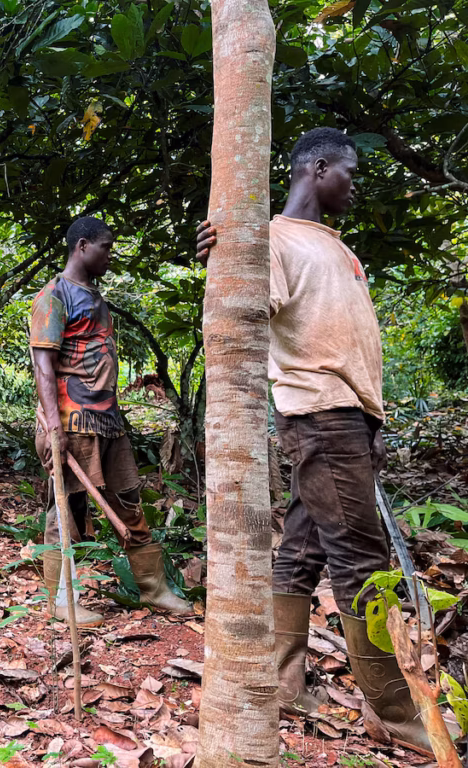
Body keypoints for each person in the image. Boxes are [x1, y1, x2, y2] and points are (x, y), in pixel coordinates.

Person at [197, 127, 432, 755]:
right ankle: (397, 710)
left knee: (302, 549)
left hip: (348, 416)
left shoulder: (334, 245)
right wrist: (223, 254)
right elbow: (248, 304)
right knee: (362, 559)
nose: (353, 185)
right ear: (317, 168)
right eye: (348, 173)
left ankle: (282, 684)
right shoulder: (273, 239)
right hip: (321, 414)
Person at [30, 216, 191, 627]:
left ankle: (153, 588)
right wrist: (53, 427)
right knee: (64, 509)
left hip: (107, 420)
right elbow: (44, 367)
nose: (110, 257)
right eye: (106, 248)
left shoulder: (94, 295)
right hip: (70, 418)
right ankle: (62, 601)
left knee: (129, 500)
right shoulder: (54, 296)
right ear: (82, 246)